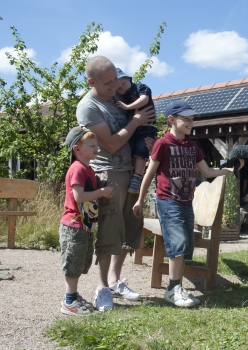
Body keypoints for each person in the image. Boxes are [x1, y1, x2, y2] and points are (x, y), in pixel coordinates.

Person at [132, 100, 243, 307]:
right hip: (168, 201)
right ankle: (173, 289)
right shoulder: (163, 144)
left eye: (192, 119)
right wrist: (139, 199)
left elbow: (208, 172)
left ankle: (176, 288)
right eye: (186, 119)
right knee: (178, 245)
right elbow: (149, 173)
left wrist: (229, 170)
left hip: (186, 202)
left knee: (184, 247)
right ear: (171, 120)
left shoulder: (192, 147)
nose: (191, 122)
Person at [76, 56, 156, 312]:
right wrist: (136, 121)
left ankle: (114, 280)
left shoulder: (119, 97)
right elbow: (110, 143)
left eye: (116, 80)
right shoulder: (89, 107)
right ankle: (101, 288)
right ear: (92, 81)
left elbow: (142, 121)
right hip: (108, 173)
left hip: (131, 171)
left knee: (128, 228)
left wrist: (148, 141)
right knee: (110, 230)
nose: (114, 86)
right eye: (108, 82)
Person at [59, 126, 114, 316]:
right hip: (73, 225)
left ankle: (73, 296)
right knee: (73, 262)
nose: (96, 149)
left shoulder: (87, 169)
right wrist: (100, 192)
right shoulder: (77, 169)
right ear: (77, 149)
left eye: (96, 145)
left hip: (84, 226)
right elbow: (78, 196)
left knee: (80, 262)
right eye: (92, 146)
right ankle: (69, 302)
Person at [114, 68, 157, 194]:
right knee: (132, 149)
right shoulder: (122, 97)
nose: (122, 88)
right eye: (119, 88)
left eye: (123, 83)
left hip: (147, 128)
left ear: (129, 79)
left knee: (142, 149)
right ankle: (134, 177)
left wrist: (128, 107)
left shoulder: (140, 87)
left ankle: (137, 178)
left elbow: (144, 99)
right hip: (134, 128)